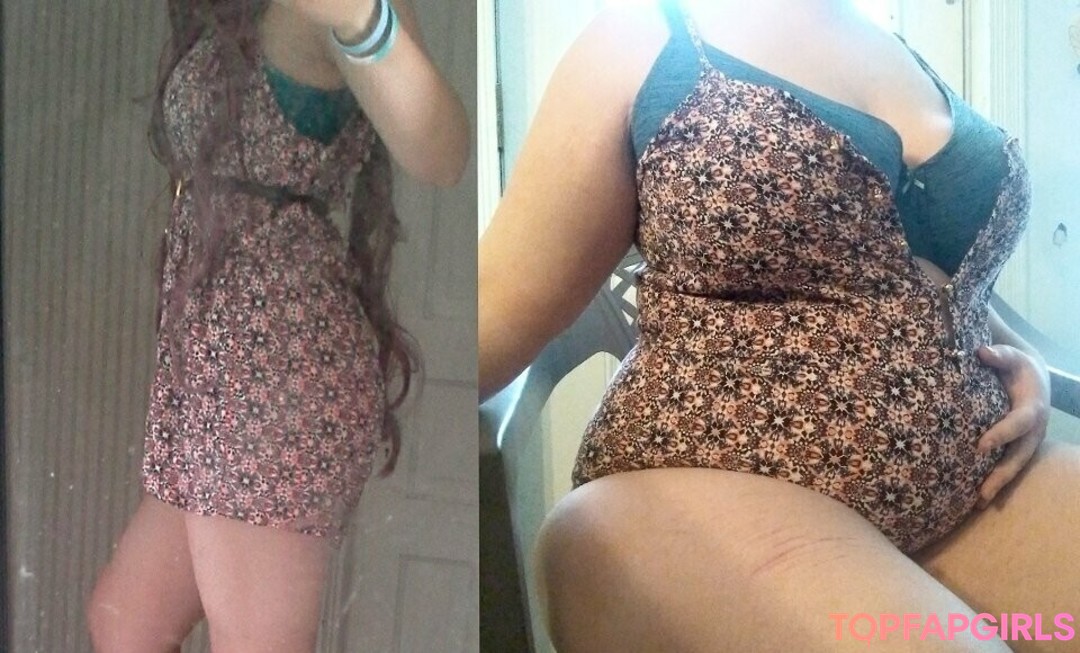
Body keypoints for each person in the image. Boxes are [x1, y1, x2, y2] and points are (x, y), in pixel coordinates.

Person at [479, 0, 1078, 650]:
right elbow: (495, 308)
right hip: (714, 491)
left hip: (970, 489)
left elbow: (917, 278)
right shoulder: (645, 37)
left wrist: (1022, 358)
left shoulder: (886, 43)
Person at [87, 1, 468, 651]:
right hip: (213, 366)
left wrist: (361, 19)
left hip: (273, 367)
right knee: (128, 620)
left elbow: (441, 153)